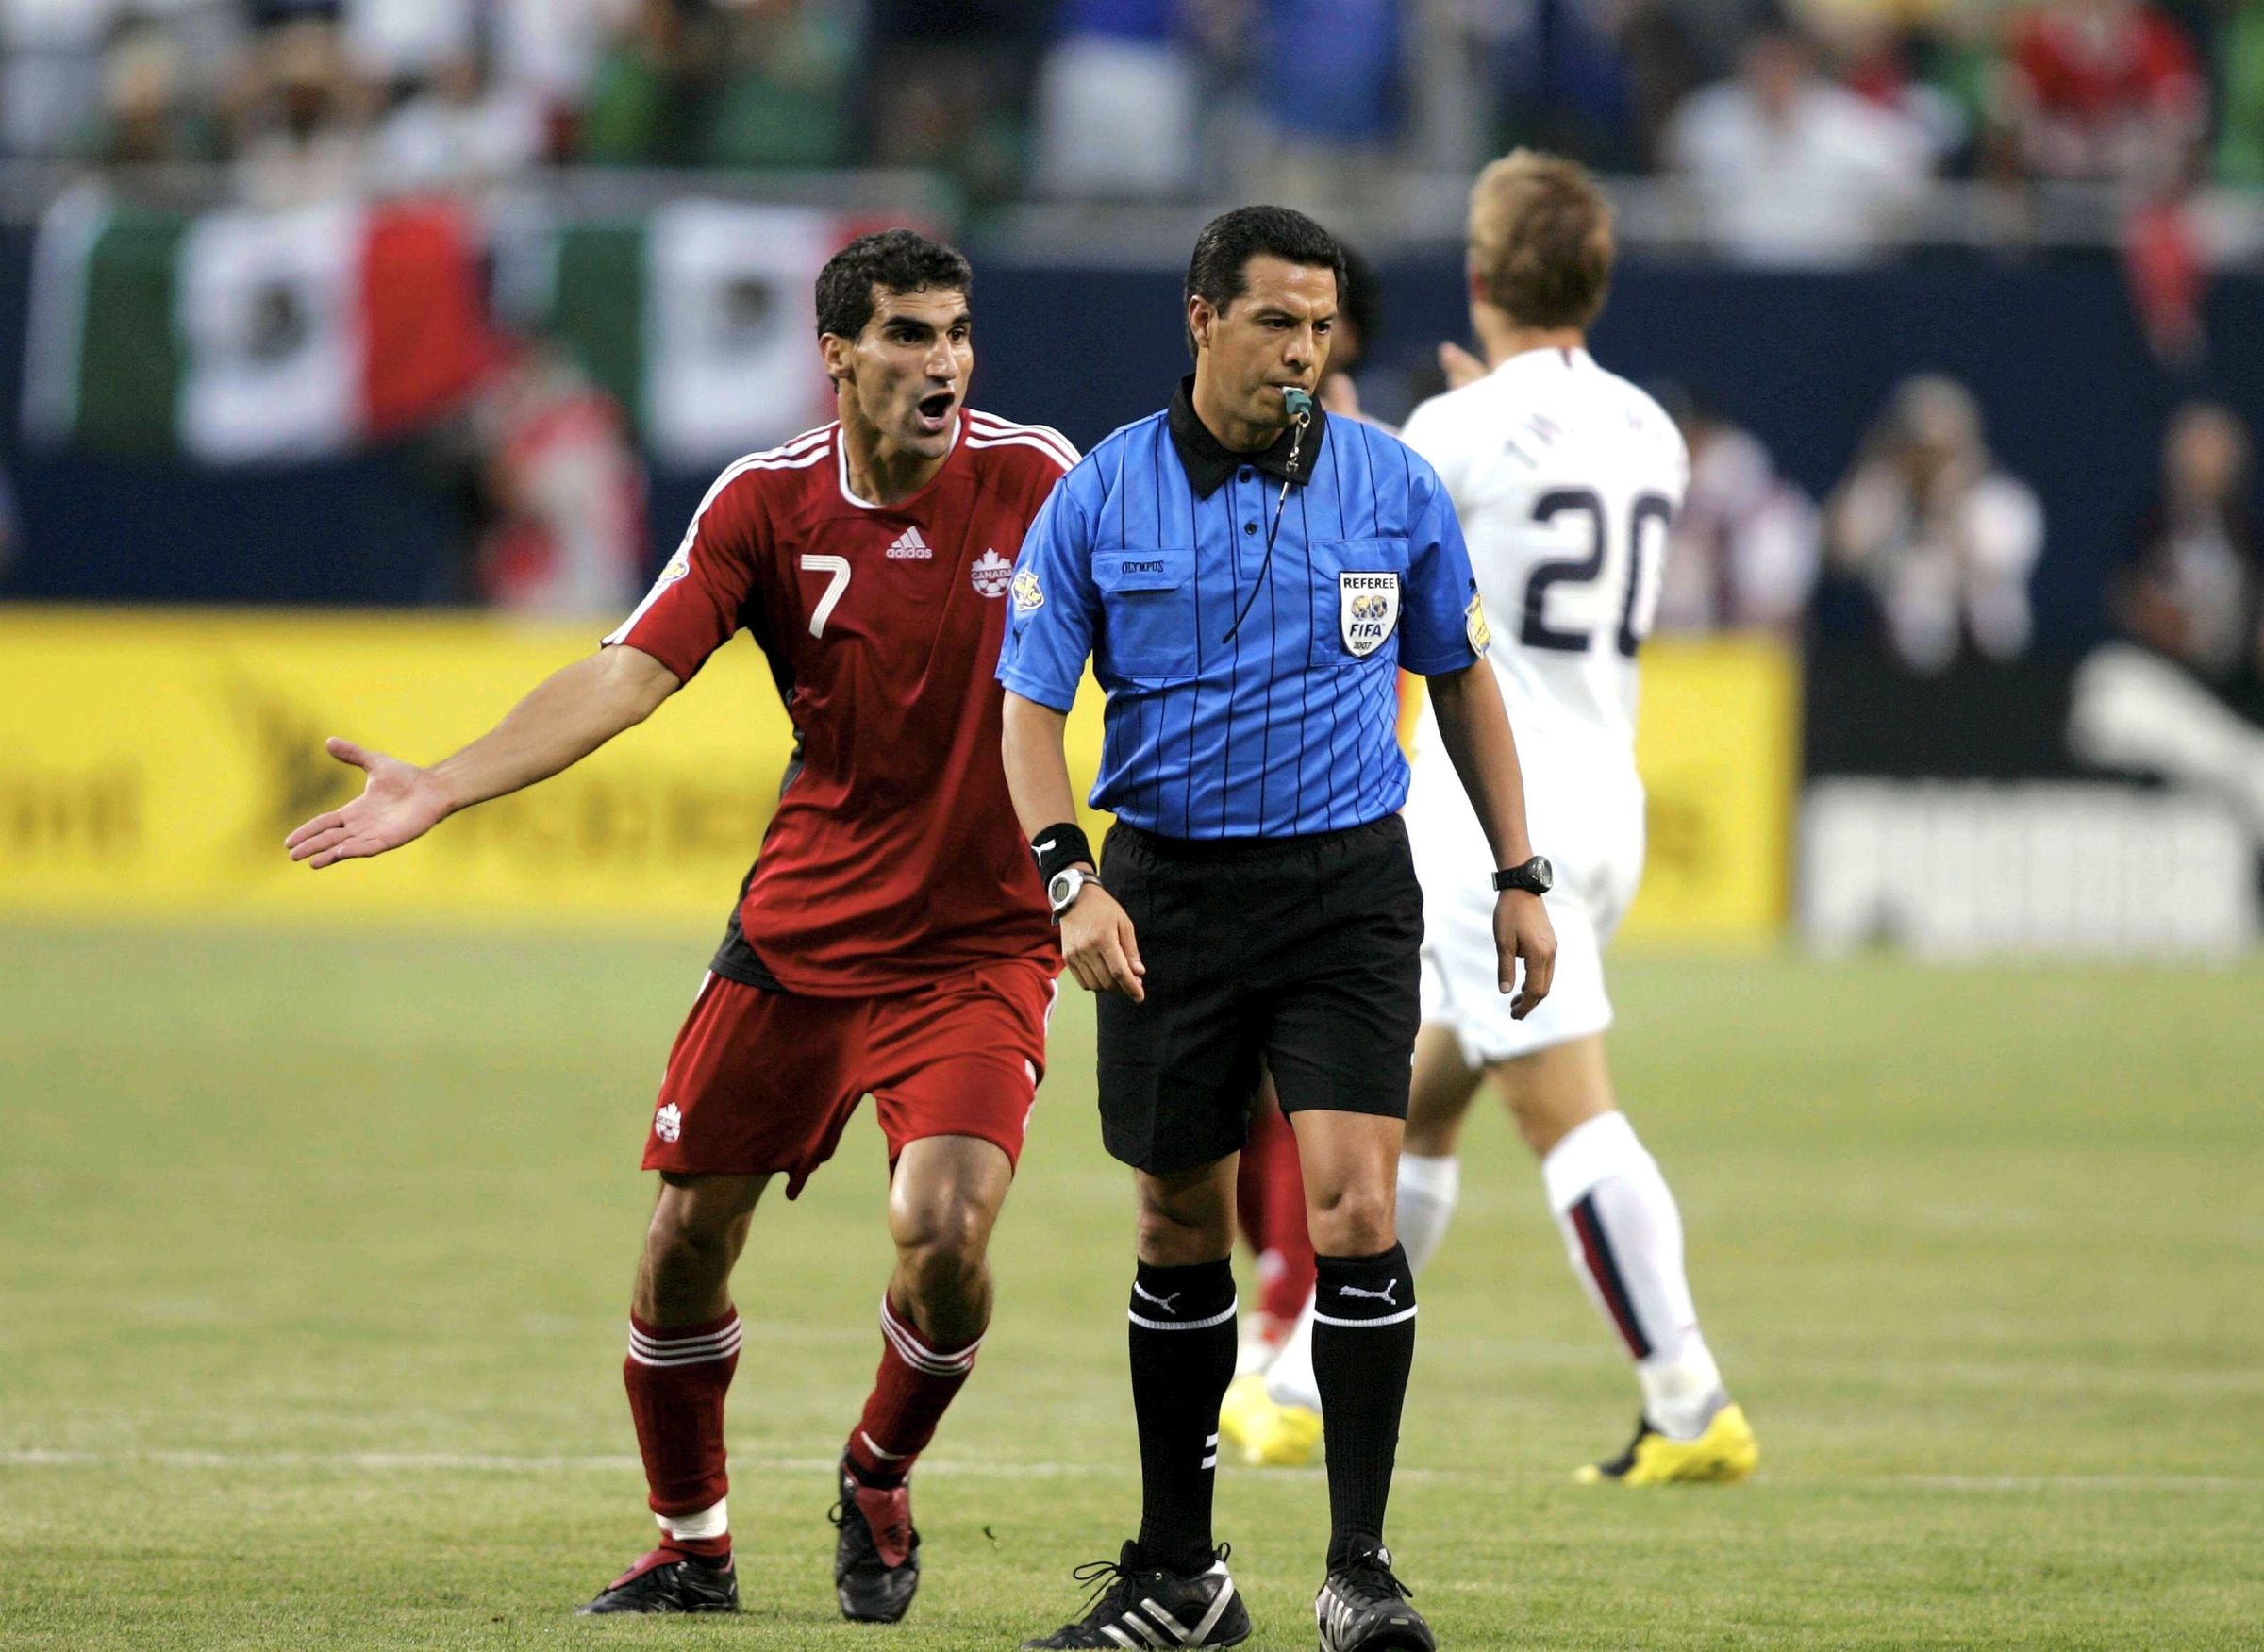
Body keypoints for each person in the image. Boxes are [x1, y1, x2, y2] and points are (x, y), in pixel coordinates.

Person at [282, 230, 1077, 1624]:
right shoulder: (765, 504)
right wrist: (445, 785)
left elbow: (1161, 633)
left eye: (956, 332)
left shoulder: (1041, 480)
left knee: (944, 1231)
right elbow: (628, 674)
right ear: (837, 354)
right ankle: (691, 1545)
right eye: (906, 334)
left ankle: (879, 1471)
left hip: (979, 942)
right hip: (802, 931)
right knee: (680, 1245)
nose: (942, 361)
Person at [997, 204, 1556, 1652]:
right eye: (1275, 324)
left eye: (1320, 328)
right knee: (1176, 1215)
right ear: (1202, 319)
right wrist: (1073, 880)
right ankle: (1180, 1574)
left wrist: (1521, 870)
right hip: (1166, 891)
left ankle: (1360, 1570)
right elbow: (1029, 712)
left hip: (1344, 891)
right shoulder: (1103, 493)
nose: (1303, 352)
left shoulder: (1392, 483)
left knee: (1356, 1208)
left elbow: (1463, 678)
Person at [1227, 151, 1761, 1489]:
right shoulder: (1648, 426)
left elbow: (1358, 561)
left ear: (1479, 275)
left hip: (1491, 822)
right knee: (1426, 1097)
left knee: (1567, 1117)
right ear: (1596, 276)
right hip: (1608, 799)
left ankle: (1689, 1398)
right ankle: (1294, 1384)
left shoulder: (1450, 437)